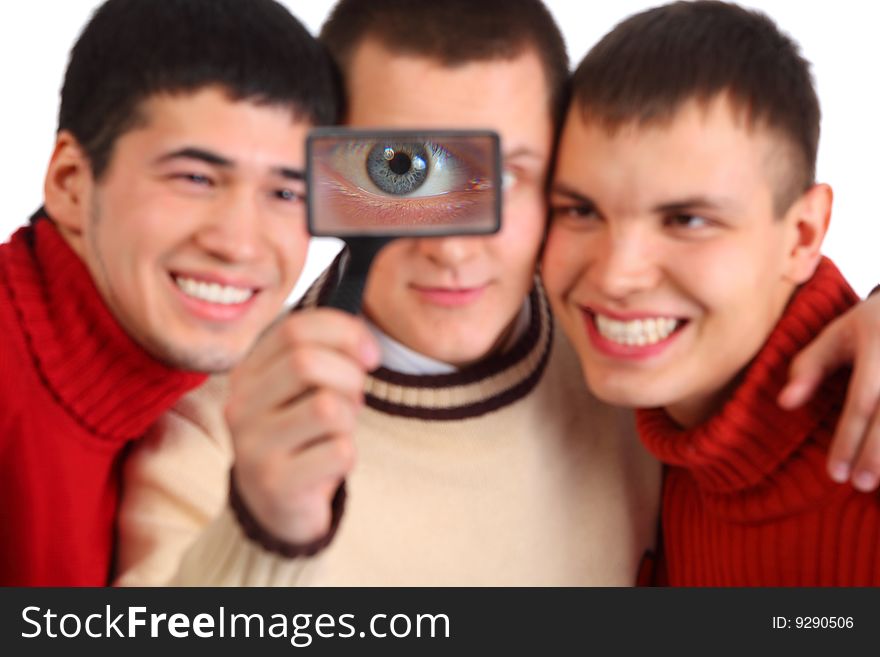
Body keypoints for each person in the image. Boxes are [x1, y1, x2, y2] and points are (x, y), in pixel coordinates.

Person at [117, 0, 880, 587]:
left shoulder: (629, 355)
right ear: (324, 168)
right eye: (398, 173)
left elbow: (752, 245)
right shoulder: (214, 431)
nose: (453, 244)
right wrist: (263, 529)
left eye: (503, 174)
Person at [0, 0, 338, 586]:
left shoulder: (221, 390)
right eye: (195, 178)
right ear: (71, 185)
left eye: (285, 194)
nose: (238, 244)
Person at [542, 0, 880, 585]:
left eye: (688, 220)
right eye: (580, 210)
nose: (617, 275)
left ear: (802, 235)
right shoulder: (662, 434)